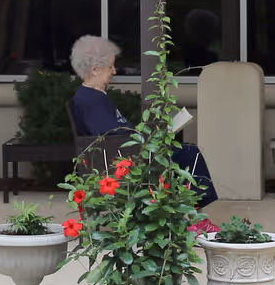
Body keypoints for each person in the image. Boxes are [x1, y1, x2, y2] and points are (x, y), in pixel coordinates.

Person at [68, 34, 218, 207]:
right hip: (128, 162)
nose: (114, 72)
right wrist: (148, 142)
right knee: (190, 153)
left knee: (185, 151)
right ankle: (193, 215)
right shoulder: (91, 100)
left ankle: (190, 214)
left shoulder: (92, 97)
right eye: (110, 67)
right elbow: (112, 138)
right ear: (95, 69)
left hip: (132, 154)